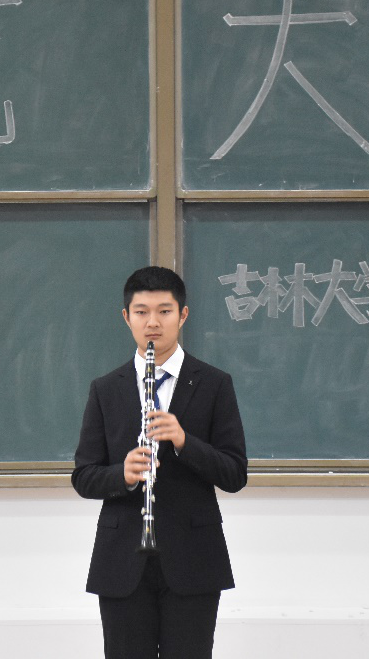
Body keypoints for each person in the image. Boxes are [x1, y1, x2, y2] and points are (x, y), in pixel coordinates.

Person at [72, 266, 248, 659]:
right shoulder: (105, 389)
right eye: (141, 312)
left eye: (164, 311)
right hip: (122, 560)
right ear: (126, 317)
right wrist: (123, 475)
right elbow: (84, 476)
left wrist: (185, 442)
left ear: (182, 315)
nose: (153, 322)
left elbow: (235, 473)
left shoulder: (215, 383)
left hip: (194, 558)